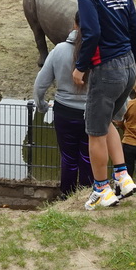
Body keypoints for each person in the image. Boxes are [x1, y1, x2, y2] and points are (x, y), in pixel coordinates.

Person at [71, 0, 136, 210]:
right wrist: (130, 62)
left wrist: (80, 67)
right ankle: (122, 177)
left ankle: (102, 190)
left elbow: (92, 32)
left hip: (106, 69)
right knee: (108, 120)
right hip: (128, 66)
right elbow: (135, 31)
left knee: (94, 131)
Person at [33, 14, 92, 198]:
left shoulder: (59, 50)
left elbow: (40, 84)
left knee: (68, 157)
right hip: (92, 113)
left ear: (75, 24)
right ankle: (85, 195)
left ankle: (66, 195)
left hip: (64, 112)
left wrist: (41, 105)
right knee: (88, 157)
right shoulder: (100, 51)